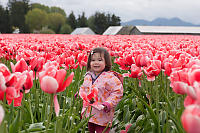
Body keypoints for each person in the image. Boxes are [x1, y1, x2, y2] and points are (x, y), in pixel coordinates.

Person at [79, 47, 123, 133]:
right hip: (89, 112)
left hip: (103, 113)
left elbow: (118, 92)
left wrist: (108, 103)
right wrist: (80, 93)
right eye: (93, 60)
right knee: (90, 130)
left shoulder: (110, 77)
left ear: (106, 62)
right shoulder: (88, 76)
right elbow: (84, 88)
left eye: (99, 60)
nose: (96, 63)